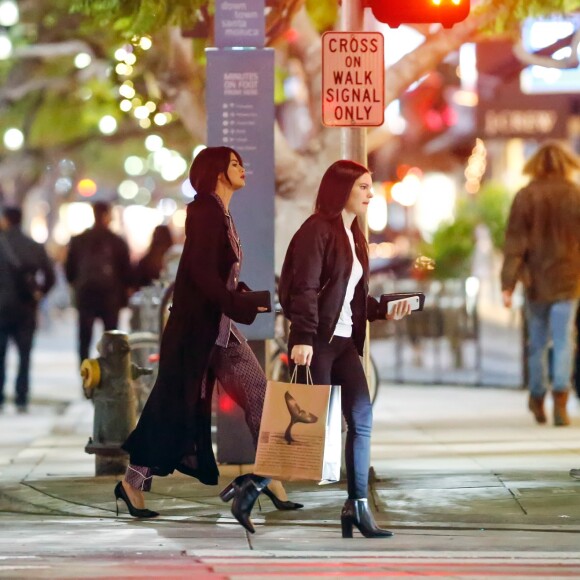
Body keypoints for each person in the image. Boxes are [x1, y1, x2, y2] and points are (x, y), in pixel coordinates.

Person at [117, 146, 300, 531]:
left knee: (259, 395)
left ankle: (269, 479)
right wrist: (237, 303)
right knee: (174, 407)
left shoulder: (221, 213)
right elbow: (200, 273)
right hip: (194, 333)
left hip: (219, 329)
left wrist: (244, 297)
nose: (242, 168)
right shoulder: (203, 211)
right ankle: (132, 483)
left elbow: (219, 274)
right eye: (235, 164)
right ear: (218, 171)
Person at [278, 160, 412, 539]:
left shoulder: (353, 233)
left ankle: (357, 505)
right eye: (363, 187)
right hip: (317, 341)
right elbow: (304, 287)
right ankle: (250, 487)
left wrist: (384, 309)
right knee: (310, 428)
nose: (371, 194)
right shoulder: (316, 231)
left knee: (361, 418)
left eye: (371, 187)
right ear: (342, 190)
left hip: (343, 343)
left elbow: (350, 298)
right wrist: (302, 336)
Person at [501, 142, 580, 427]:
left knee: (537, 343)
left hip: (536, 282)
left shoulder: (525, 196)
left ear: (534, 165)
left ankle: (537, 396)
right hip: (569, 281)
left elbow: (514, 244)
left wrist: (508, 283)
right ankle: (560, 399)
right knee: (563, 341)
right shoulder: (575, 194)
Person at [0, 206, 55, 413]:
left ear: (6, 220)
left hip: (1, 308)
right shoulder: (33, 246)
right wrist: (39, 293)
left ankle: (0, 397)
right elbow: (50, 276)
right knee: (25, 355)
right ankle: (21, 397)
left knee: (0, 354)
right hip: (26, 307)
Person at [65, 201, 133, 364]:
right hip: (110, 296)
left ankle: (85, 375)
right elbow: (127, 272)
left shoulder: (79, 240)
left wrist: (76, 285)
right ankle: (109, 374)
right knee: (110, 338)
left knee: (84, 337)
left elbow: (69, 270)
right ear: (107, 216)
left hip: (85, 294)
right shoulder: (117, 242)